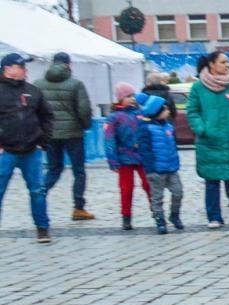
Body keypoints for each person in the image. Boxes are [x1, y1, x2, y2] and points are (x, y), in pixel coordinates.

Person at [188, 51, 229, 227]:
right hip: (209, 142)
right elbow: (192, 111)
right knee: (212, 181)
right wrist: (202, 129)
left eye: (227, 62)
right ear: (212, 64)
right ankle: (214, 217)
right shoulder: (198, 87)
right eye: (223, 62)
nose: (227, 65)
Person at [0, 51, 53, 243]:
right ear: (8, 69)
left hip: (31, 150)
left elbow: (46, 116)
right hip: (5, 150)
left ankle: (42, 228)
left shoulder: (33, 90)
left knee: (37, 190)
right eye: (21, 66)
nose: (25, 70)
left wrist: (43, 140)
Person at [39, 52, 95, 221]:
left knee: (54, 169)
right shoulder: (76, 84)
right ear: (69, 64)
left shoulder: (38, 84)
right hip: (73, 133)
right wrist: (85, 125)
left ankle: (39, 195)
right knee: (78, 171)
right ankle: (78, 208)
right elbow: (84, 110)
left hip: (50, 133)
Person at [104, 82, 150, 231]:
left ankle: (157, 211)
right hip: (124, 158)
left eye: (133, 95)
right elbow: (109, 139)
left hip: (142, 156)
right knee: (126, 188)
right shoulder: (114, 117)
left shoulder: (141, 113)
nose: (131, 98)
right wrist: (112, 159)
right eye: (128, 96)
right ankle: (126, 216)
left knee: (149, 185)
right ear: (120, 98)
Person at [136, 93, 183, 233]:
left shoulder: (169, 127)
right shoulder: (146, 129)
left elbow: (173, 145)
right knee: (157, 197)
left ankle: (174, 215)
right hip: (156, 170)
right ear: (157, 112)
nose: (168, 111)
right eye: (165, 109)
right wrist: (150, 169)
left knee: (178, 192)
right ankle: (159, 220)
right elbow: (144, 151)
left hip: (171, 168)